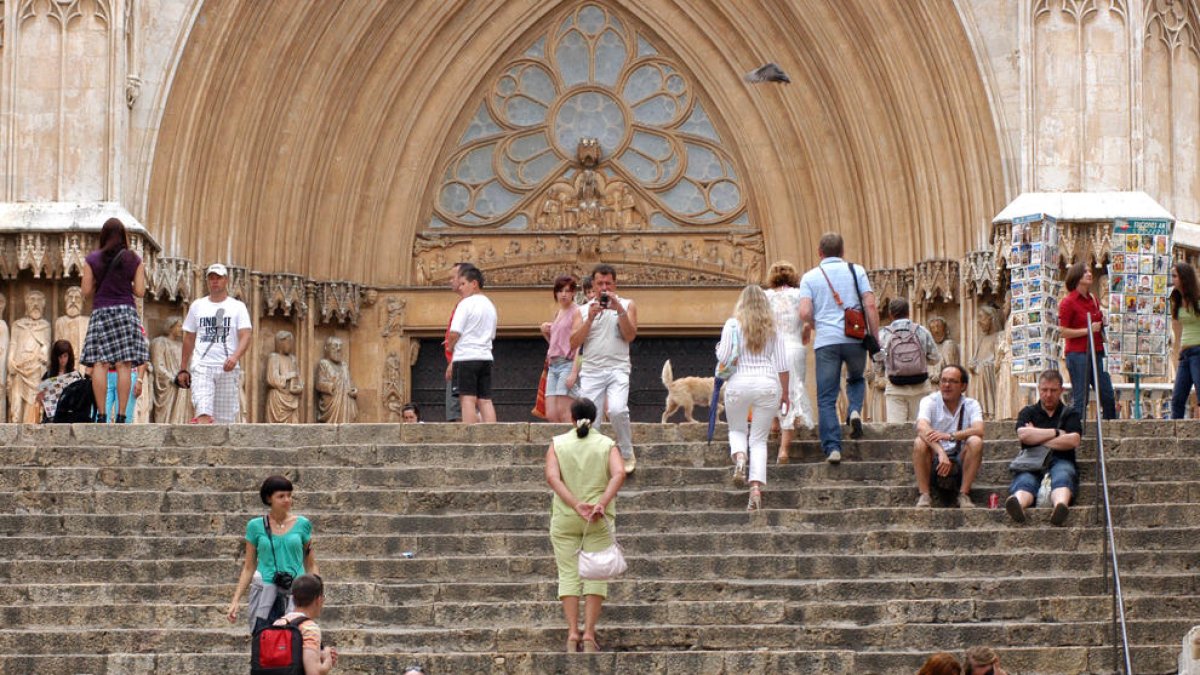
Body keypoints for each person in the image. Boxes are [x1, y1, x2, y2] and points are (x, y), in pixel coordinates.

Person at [544, 397, 625, 654]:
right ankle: (589, 634)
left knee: (567, 575)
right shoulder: (606, 444)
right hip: (598, 520)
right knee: (596, 576)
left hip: (566, 517)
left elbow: (552, 477)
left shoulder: (558, 444)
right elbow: (620, 472)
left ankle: (571, 633)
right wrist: (601, 502)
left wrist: (575, 503)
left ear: (571, 417)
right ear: (595, 417)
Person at [798, 233, 879, 464]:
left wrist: (816, 324)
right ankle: (854, 410)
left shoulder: (810, 277)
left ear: (819, 252)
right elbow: (870, 304)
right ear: (842, 252)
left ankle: (833, 447)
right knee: (855, 378)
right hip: (855, 337)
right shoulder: (857, 270)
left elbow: (804, 312)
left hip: (826, 342)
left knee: (826, 397)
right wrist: (874, 338)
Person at [717, 285, 790, 510]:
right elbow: (782, 364)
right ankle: (756, 488)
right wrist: (785, 394)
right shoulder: (772, 328)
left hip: (738, 383)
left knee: (737, 429)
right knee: (758, 440)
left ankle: (740, 458)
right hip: (767, 384)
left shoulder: (732, 325)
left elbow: (723, 355)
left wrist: (719, 346)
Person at [228, 475, 319, 632]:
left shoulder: (303, 524)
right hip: (264, 590)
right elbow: (249, 567)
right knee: (264, 639)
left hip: (296, 592)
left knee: (295, 641)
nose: (287, 500)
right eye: (281, 496)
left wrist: (317, 593)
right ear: (269, 498)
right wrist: (235, 600)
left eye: (289, 495)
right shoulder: (255, 526)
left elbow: (311, 564)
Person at [570, 264, 638, 473]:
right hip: (592, 371)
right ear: (593, 285)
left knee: (617, 409)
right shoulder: (582, 310)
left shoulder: (627, 305)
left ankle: (626, 452)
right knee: (592, 420)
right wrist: (589, 319)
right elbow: (573, 342)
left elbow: (630, 336)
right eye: (600, 283)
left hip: (618, 368)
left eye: (608, 283)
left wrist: (619, 311)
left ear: (615, 284)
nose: (604, 288)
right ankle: (597, 458)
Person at [79, 220, 148, 423]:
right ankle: (121, 415)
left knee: (100, 363)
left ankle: (101, 414)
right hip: (125, 311)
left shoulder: (92, 259)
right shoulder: (134, 259)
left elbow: (85, 291)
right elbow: (140, 291)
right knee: (123, 365)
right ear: (123, 236)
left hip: (102, 311)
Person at [177, 263, 253, 424]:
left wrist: (235, 357)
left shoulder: (237, 307)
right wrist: (183, 368)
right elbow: (189, 337)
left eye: (218, 278)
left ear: (226, 280)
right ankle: (204, 446)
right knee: (203, 411)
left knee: (224, 420)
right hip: (202, 366)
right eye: (211, 278)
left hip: (227, 368)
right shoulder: (197, 306)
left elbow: (246, 335)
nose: (214, 281)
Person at [1005, 369, 1082, 526]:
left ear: (1061, 390)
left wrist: (1037, 436)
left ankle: (1060, 506)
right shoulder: (1028, 412)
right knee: (1025, 480)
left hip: (1062, 459)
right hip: (1032, 461)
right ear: (1038, 390)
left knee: (1063, 475)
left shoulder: (1070, 413)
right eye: (1044, 390)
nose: (1048, 394)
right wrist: (1055, 433)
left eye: (1053, 390)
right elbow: (1023, 435)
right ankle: (1018, 504)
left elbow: (1073, 440)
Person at [913, 365, 985, 508]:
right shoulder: (929, 401)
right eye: (943, 380)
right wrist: (940, 452)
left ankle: (964, 494)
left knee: (976, 441)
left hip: (960, 458)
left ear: (963, 386)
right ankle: (925, 495)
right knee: (919, 442)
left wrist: (950, 436)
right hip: (934, 458)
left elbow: (979, 429)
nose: (946, 385)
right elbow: (921, 427)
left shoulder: (971, 404)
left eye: (952, 381)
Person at [764, 260, 813, 464]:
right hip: (794, 347)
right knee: (791, 393)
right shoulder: (799, 294)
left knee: (773, 388)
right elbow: (807, 321)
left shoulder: (766, 297)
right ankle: (784, 450)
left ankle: (774, 424)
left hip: (773, 349)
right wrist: (804, 334)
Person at [1059, 262, 1116, 420]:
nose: (1089, 274)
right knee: (1080, 399)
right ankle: (1076, 434)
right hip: (1078, 354)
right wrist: (1088, 330)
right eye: (1085, 272)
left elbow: (1097, 325)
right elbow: (1062, 331)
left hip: (1097, 352)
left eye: (1090, 271)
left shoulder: (1093, 299)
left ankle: (1110, 431)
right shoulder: (1068, 302)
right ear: (1077, 277)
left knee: (1108, 395)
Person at [875, 298, 940, 423]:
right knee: (921, 428)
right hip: (920, 386)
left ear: (891, 314)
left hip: (895, 388)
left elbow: (877, 364)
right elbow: (935, 359)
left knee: (896, 429)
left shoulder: (883, 334)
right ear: (908, 312)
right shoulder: (921, 331)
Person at [448, 265, 498, 424]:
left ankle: (470, 436)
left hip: (466, 357)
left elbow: (454, 332)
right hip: (485, 356)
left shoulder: (465, 304)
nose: (460, 288)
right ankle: (492, 433)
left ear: (474, 283)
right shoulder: (490, 306)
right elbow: (492, 334)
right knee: (485, 399)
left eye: (463, 284)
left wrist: (450, 345)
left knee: (467, 399)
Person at [269, 574, 338, 675]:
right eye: (323, 597)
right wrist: (328, 660)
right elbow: (313, 672)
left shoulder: (278, 623)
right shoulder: (309, 628)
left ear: (293, 598)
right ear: (318, 600)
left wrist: (320, 656)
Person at [541, 275, 581, 423]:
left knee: (565, 413)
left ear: (573, 293)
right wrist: (546, 332)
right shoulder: (558, 313)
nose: (563, 294)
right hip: (553, 364)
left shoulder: (577, 312)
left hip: (567, 363)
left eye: (567, 291)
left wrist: (574, 372)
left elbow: (578, 343)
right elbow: (556, 343)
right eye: (560, 291)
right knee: (551, 414)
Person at [1170, 262, 1200, 419]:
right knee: (1177, 398)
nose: (1172, 279)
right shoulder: (1177, 299)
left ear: (1184, 278)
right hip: (1185, 353)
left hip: (1198, 351)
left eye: (1175, 276)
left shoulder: (1198, 298)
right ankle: (1175, 438)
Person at [443, 262, 472, 422]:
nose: (450, 281)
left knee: (456, 414)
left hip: (460, 362)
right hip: (464, 360)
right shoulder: (470, 304)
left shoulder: (466, 305)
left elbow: (463, 335)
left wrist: (454, 361)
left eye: (452, 277)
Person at [36, 340, 83, 422]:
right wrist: (41, 397)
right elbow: (39, 400)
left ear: (69, 356)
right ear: (55, 357)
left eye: (65, 356)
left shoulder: (75, 375)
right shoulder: (48, 375)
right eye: (60, 357)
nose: (62, 360)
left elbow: (80, 400)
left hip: (70, 418)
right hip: (51, 419)